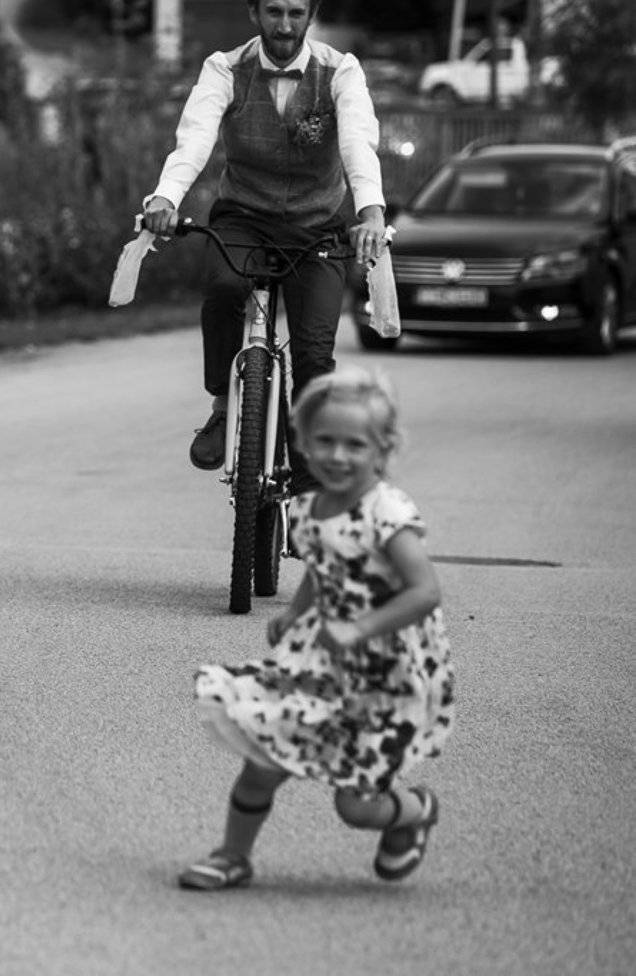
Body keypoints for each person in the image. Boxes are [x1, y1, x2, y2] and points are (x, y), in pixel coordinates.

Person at [177, 366, 454, 890]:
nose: (338, 455)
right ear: (303, 443)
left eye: (355, 444)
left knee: (356, 807)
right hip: (319, 660)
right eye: (324, 441)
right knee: (262, 761)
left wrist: (359, 628)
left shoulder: (387, 513)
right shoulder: (307, 509)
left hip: (380, 674)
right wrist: (295, 612)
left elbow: (425, 592)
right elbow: (324, 566)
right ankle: (232, 855)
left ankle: (415, 810)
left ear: (383, 448)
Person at [141, 0, 389, 481]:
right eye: (274, 12)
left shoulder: (340, 71)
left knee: (315, 359)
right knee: (224, 288)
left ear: (311, 15)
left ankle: (306, 484)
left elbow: (357, 143)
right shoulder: (225, 68)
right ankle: (223, 404)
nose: (285, 25)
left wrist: (370, 212)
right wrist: (165, 198)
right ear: (254, 11)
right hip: (245, 217)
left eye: (296, 13)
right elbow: (195, 139)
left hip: (316, 227)